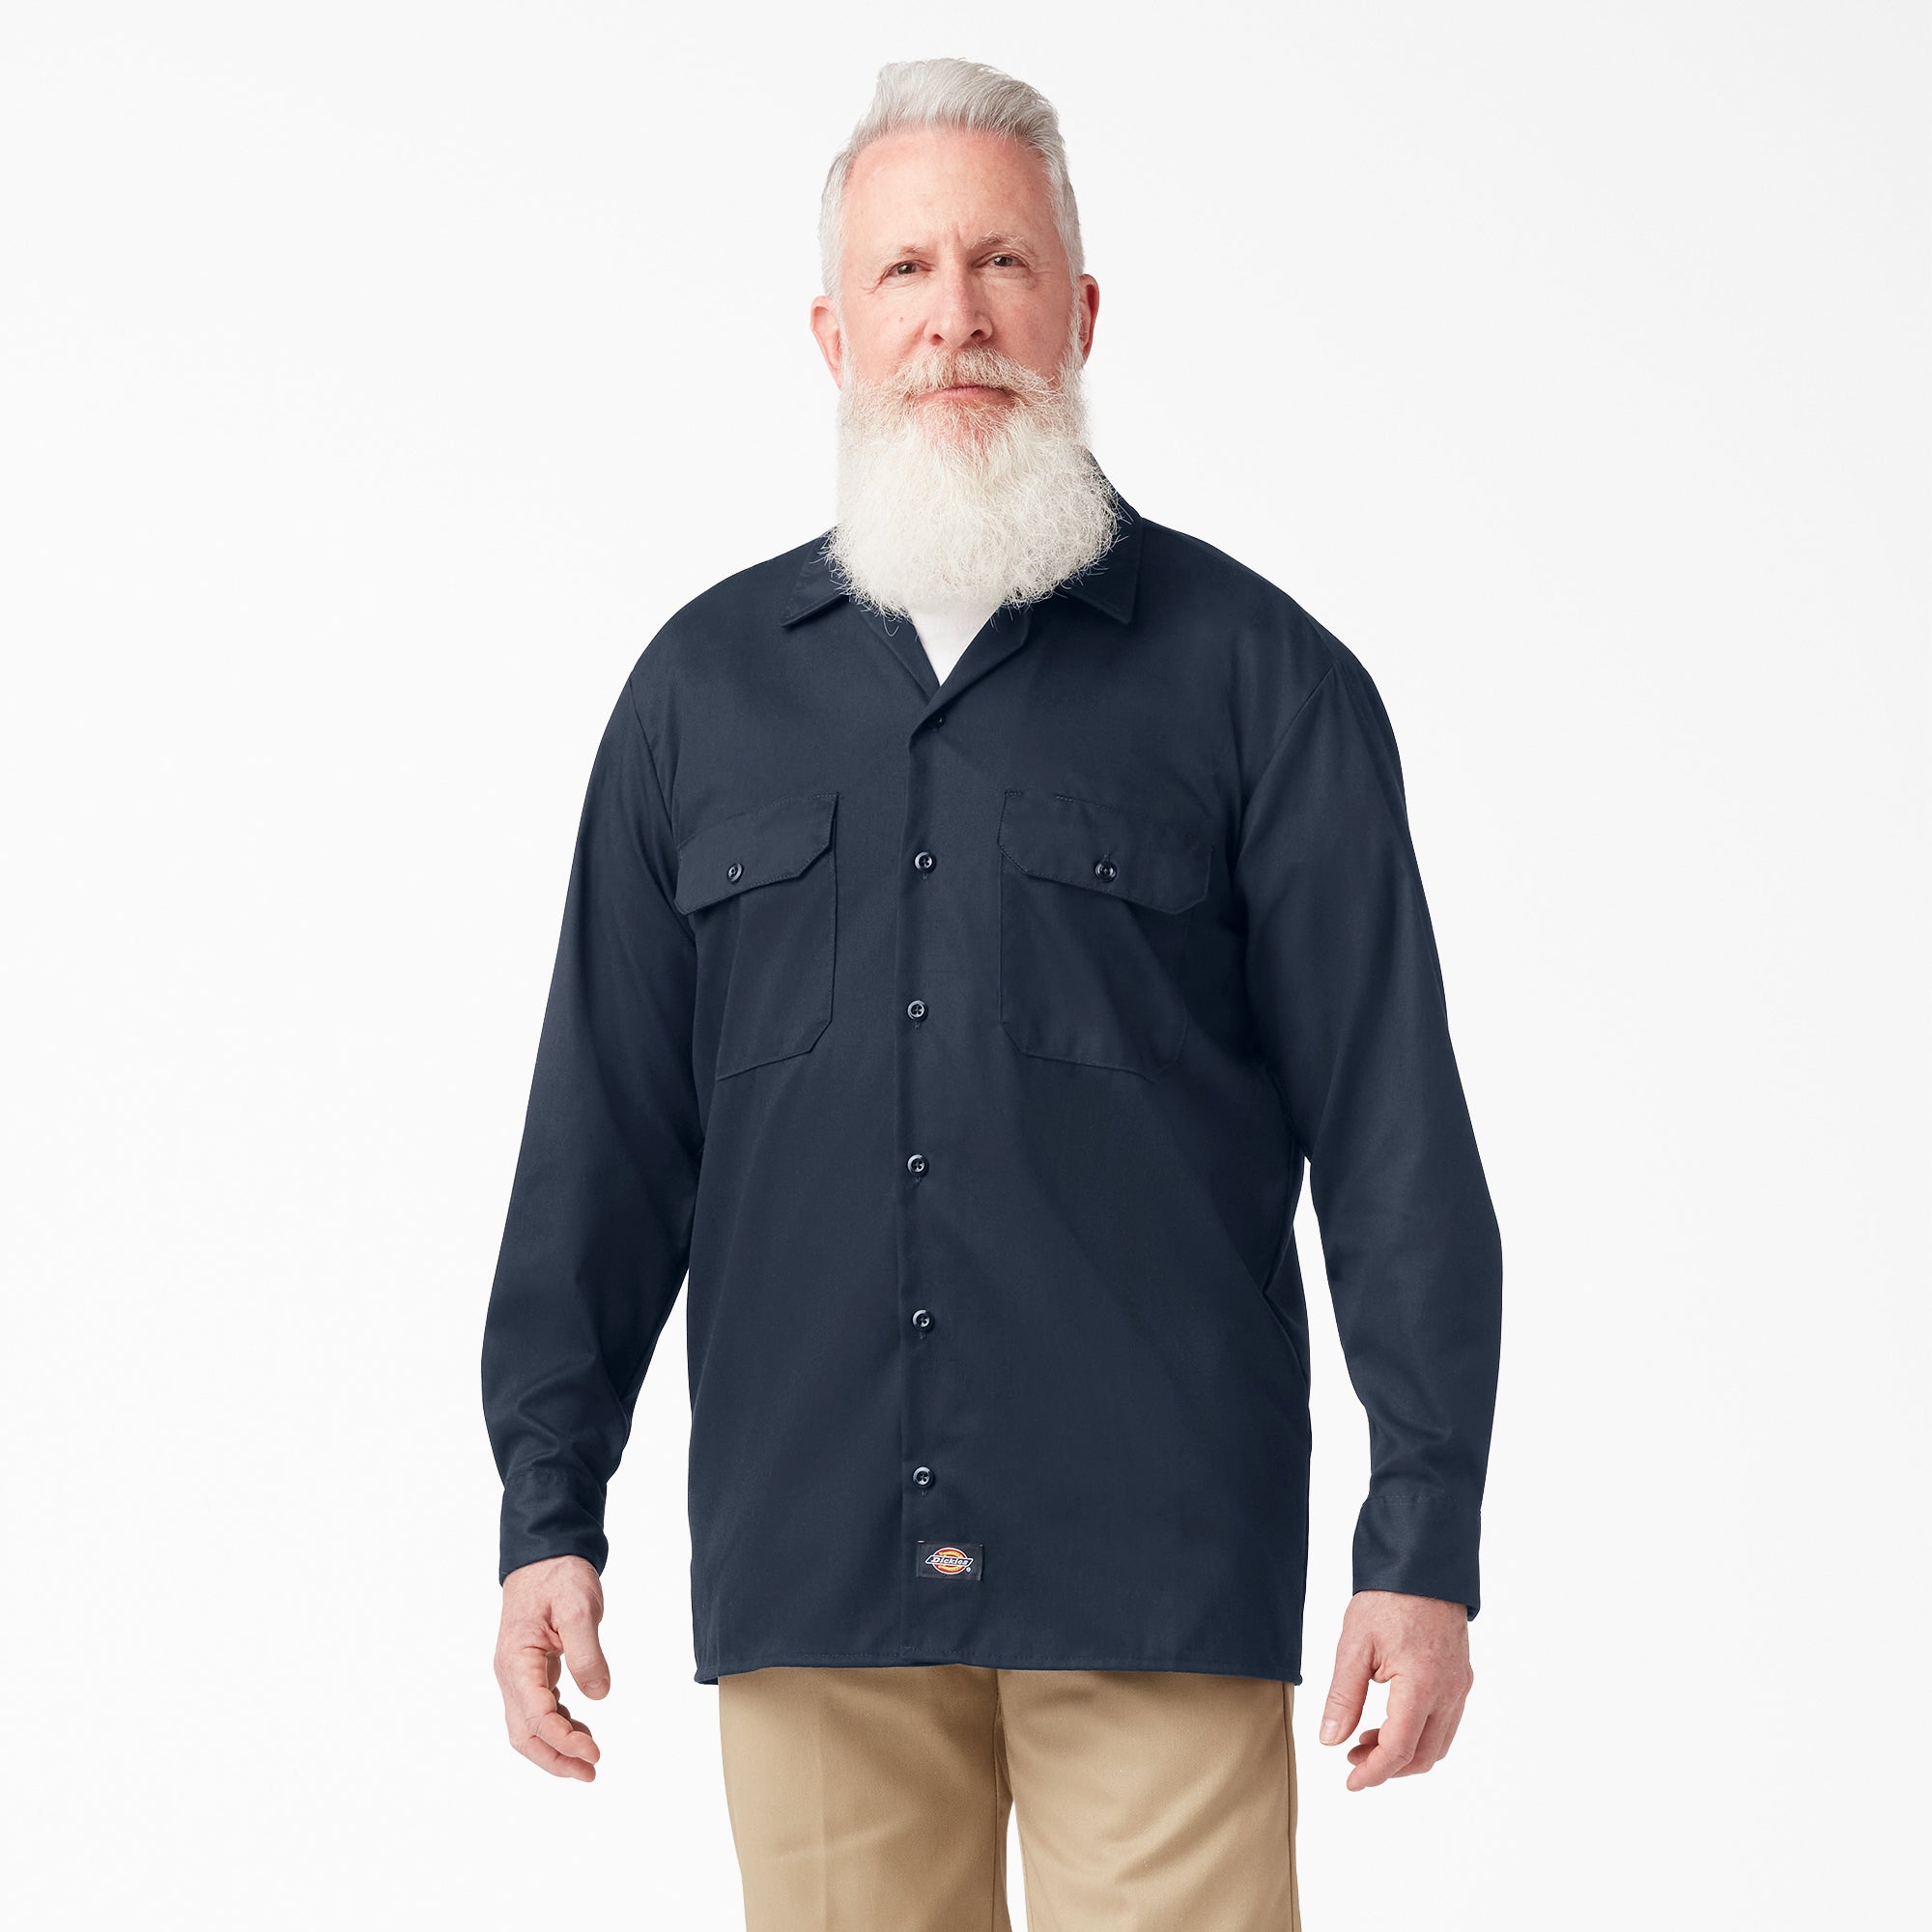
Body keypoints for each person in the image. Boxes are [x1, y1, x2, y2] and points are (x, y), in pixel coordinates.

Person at [481, 55, 1503, 1931]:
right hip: (815, 1577)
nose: (953, 316)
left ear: (1080, 311)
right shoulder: (699, 699)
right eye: (904, 271)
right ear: (833, 333)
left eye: (1001, 264)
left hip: (1154, 1572)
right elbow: (604, 1142)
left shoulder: (1261, 685)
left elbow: (1393, 1142)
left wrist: (1421, 1540)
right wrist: (547, 1505)